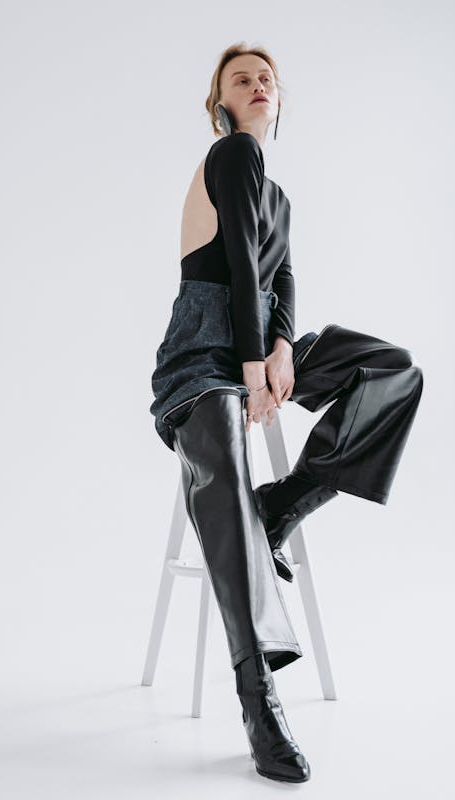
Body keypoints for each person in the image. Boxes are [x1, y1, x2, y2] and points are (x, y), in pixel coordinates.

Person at [148, 42, 424, 784]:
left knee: (392, 370)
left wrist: (279, 354)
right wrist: (248, 366)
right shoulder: (232, 154)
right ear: (222, 102)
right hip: (202, 354)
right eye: (242, 78)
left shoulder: (279, 192)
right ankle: (258, 697)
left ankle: (283, 505)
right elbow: (238, 259)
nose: (259, 83)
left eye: (267, 77)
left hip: (255, 348)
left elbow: (284, 279)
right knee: (221, 459)